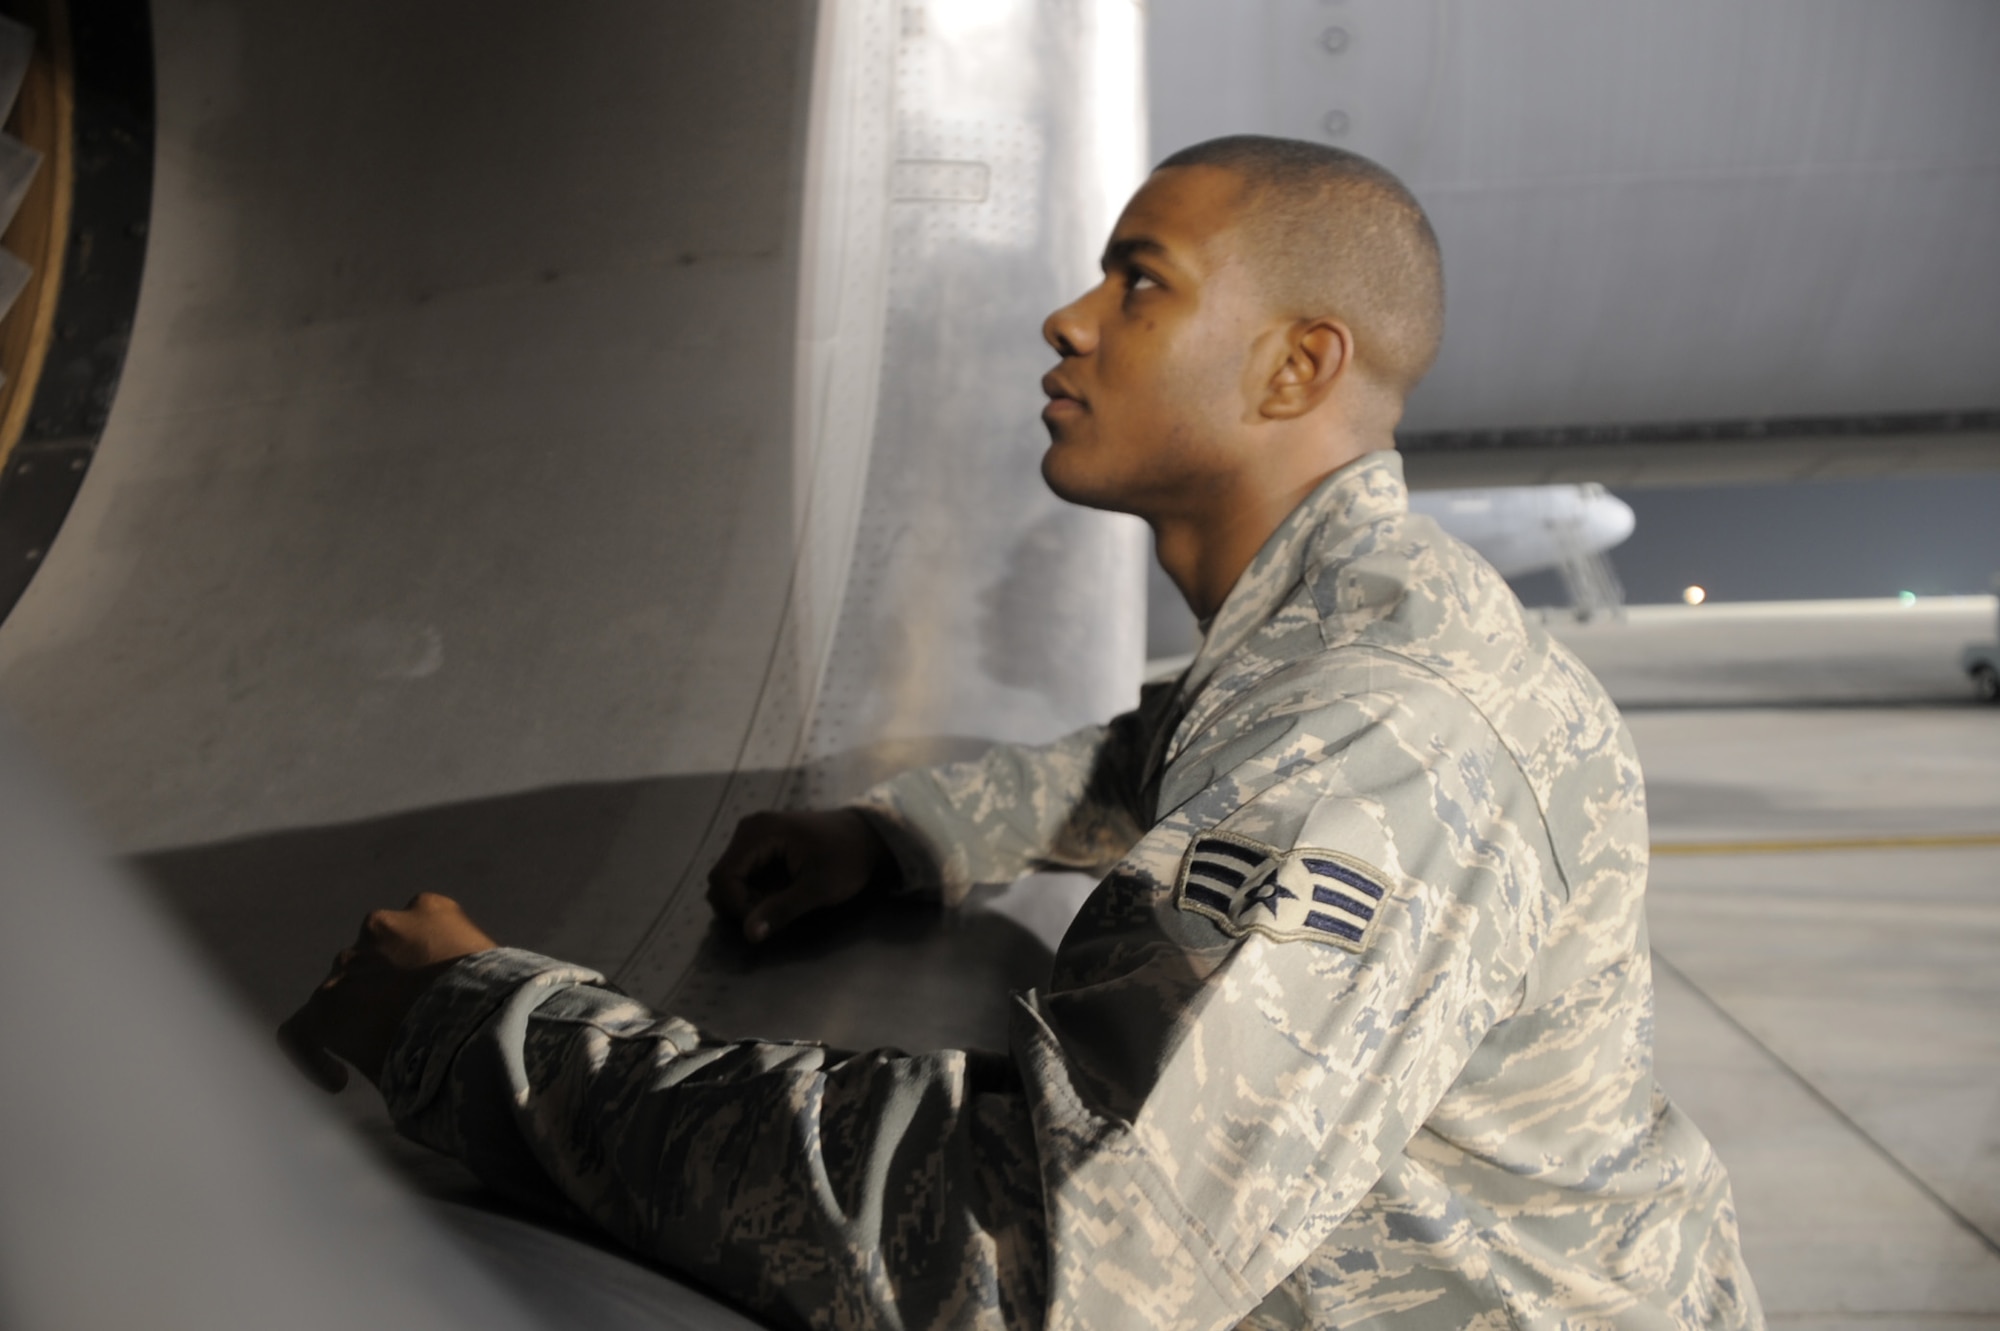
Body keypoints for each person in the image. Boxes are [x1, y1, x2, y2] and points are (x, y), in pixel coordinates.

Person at [281, 136, 1763, 1329]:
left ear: (1294, 369)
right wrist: (902, 839)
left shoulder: (1378, 724)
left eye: (1139, 283)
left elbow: (1048, 1250)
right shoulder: (1338, 625)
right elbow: (1139, 761)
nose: (1068, 319)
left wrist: (480, 1033)